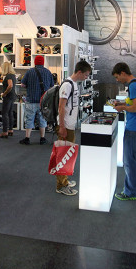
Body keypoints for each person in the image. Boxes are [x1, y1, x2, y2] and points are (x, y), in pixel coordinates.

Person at [55, 61, 92, 196]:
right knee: (63, 155)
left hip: (70, 125)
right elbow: (61, 107)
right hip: (65, 126)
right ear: (79, 72)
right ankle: (61, 185)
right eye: (86, 75)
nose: (86, 78)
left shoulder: (74, 84)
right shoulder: (67, 85)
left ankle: (64, 180)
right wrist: (62, 126)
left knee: (67, 154)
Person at [112, 62, 136, 201]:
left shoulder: (133, 86)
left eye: (117, 77)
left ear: (123, 73)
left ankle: (131, 192)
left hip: (134, 128)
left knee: (129, 160)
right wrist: (123, 104)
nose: (117, 80)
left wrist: (122, 108)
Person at [19, 55, 54, 145]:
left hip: (31, 100)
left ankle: (27, 138)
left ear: (35, 62)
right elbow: (51, 86)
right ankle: (42, 138)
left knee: (29, 119)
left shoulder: (29, 71)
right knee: (42, 119)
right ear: (43, 62)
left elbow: (22, 84)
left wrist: (29, 86)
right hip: (43, 101)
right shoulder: (48, 72)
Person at [0, 61, 17, 138]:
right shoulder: (13, 75)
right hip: (12, 96)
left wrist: (4, 93)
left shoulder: (8, 76)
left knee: (4, 113)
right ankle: (10, 130)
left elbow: (10, 86)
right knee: (10, 113)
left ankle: (5, 131)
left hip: (8, 96)